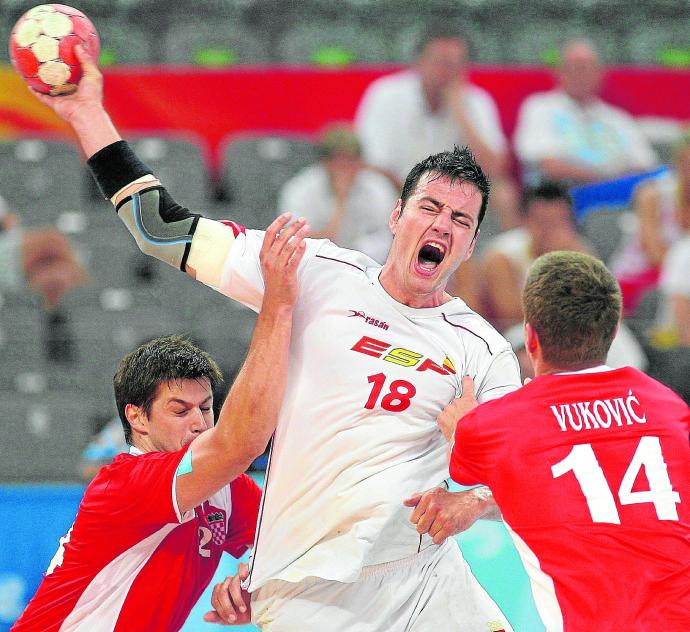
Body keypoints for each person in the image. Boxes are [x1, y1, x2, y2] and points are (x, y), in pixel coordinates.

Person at [32, 47, 521, 631]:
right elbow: (158, 229)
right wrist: (88, 111)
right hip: (309, 593)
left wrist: (471, 503)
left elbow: (521, 475)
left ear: (470, 244)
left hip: (423, 575)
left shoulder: (482, 348)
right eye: (429, 207)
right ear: (397, 216)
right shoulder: (312, 270)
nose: (441, 224)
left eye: (460, 220)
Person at [12, 214, 308, 631]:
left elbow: (289, 542)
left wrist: (252, 582)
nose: (199, 423)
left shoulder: (223, 487)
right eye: (180, 410)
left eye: (205, 407)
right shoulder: (127, 482)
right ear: (138, 418)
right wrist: (277, 305)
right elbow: (240, 443)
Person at [420, 251, 690, 630]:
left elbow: (486, 462)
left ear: (529, 337)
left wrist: (461, 426)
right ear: (613, 333)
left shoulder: (495, 426)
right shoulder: (667, 406)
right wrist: (481, 501)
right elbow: (586, 485)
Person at [355, 25, 519, 232]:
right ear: (420, 62)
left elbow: (495, 167)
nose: (448, 71)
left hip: (457, 191)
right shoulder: (385, 94)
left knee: (504, 192)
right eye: (441, 62)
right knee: (371, 187)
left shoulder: (476, 101)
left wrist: (461, 112)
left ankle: (503, 259)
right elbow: (371, 162)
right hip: (396, 187)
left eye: (456, 64)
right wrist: (417, 196)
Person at [480, 182, 648, 372]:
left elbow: (609, 305)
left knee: (617, 341)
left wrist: (573, 257)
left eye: (560, 221)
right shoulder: (502, 255)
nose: (551, 229)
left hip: (577, 325)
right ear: (525, 220)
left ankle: (624, 390)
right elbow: (508, 312)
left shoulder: (577, 248)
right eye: (543, 221)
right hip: (525, 330)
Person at [514, 39, 658, 187]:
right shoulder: (540, 108)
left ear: (600, 73)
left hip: (620, 197)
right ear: (559, 72)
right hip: (564, 196)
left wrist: (611, 183)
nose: (580, 75)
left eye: (586, 68)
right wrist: (607, 180)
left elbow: (646, 166)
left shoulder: (618, 119)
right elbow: (550, 167)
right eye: (574, 68)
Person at [277, 123, 397, 262]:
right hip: (315, 264)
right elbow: (293, 241)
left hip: (368, 267)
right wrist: (340, 202)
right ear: (324, 162)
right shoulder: (301, 190)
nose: (344, 168)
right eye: (338, 161)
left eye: (350, 161)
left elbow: (392, 237)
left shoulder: (378, 189)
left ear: (361, 162)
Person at [611, 131, 690, 314]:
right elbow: (654, 254)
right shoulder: (652, 194)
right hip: (640, 278)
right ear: (677, 163)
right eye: (687, 163)